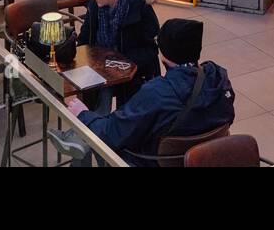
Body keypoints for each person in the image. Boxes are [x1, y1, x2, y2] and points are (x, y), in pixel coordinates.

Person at [63, 18, 235, 167]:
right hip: (207, 159)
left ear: (164, 55)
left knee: (92, 136)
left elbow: (112, 133)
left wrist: (83, 114)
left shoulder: (157, 93)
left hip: (150, 161)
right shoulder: (218, 79)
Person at [76, 0, 161, 104]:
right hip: (101, 69)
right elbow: (84, 39)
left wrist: (120, 62)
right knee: (96, 111)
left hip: (133, 75)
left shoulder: (139, 8)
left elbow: (151, 50)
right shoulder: (95, 6)